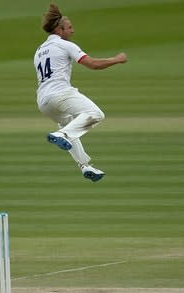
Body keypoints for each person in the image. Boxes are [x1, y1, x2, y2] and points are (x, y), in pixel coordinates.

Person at [34, 3, 128, 182]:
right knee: (95, 114)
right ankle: (62, 135)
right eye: (69, 28)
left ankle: (85, 166)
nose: (73, 31)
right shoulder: (64, 45)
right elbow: (92, 64)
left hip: (43, 101)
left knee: (68, 124)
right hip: (60, 94)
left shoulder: (39, 50)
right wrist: (116, 59)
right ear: (59, 29)